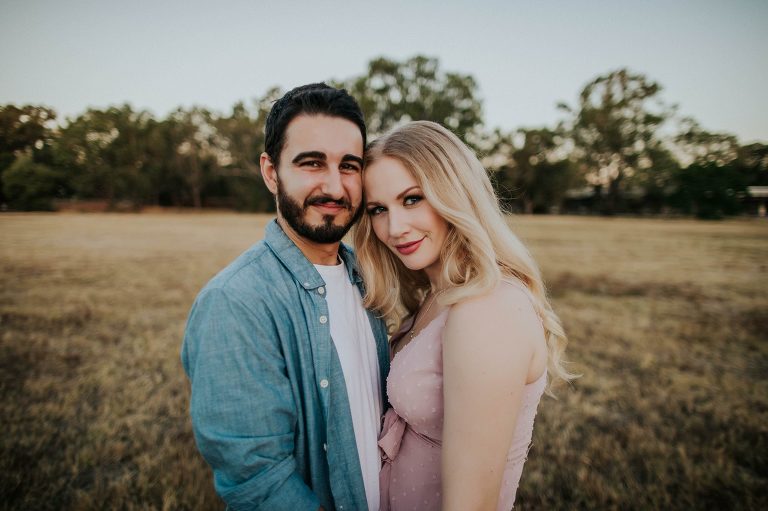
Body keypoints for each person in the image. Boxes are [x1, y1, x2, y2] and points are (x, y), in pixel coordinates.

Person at [181, 83, 390, 511]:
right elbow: (258, 480)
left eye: (349, 166)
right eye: (312, 164)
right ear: (271, 171)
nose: (335, 187)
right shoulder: (235, 302)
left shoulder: (366, 280)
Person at [354, 121, 574, 511]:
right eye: (377, 209)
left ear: (454, 194)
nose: (394, 228)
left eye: (412, 199)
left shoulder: (487, 310)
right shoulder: (438, 296)